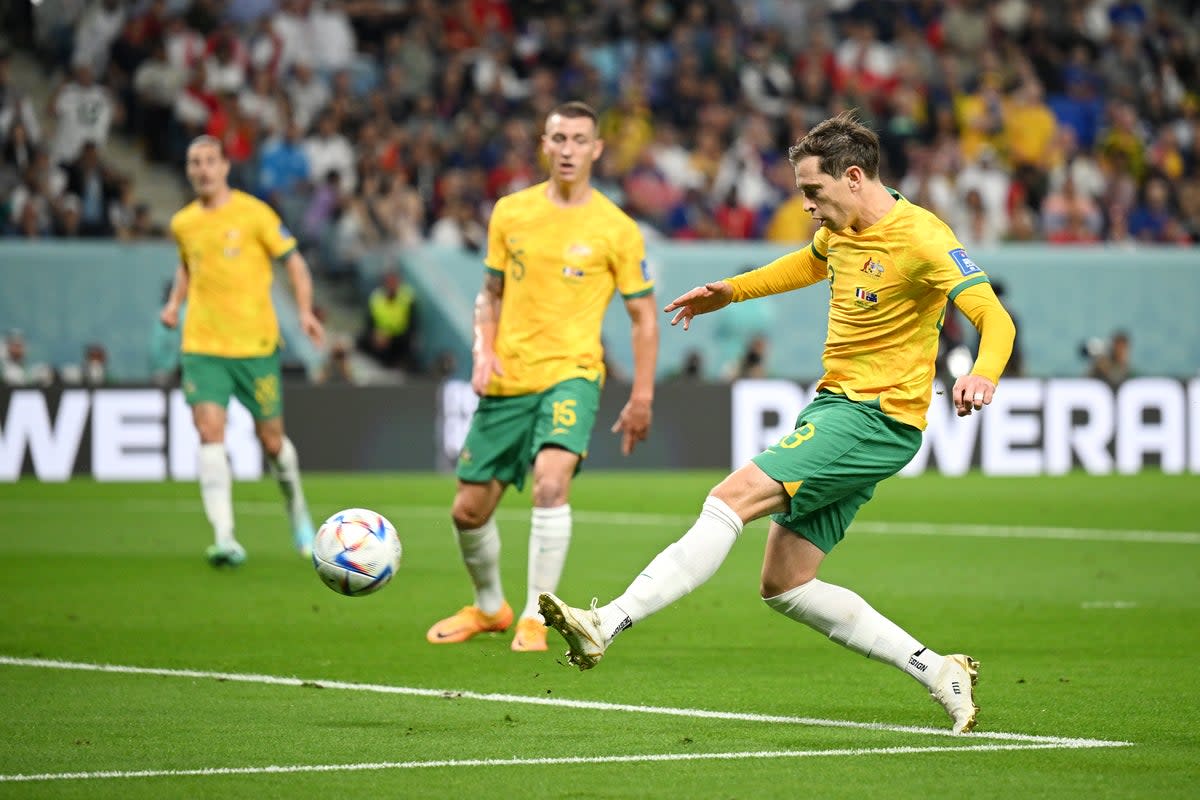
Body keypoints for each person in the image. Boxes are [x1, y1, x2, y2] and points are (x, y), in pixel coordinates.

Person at [539, 113, 1016, 734]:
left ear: (852, 177)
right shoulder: (843, 230)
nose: (807, 206)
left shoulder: (923, 238)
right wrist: (730, 291)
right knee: (785, 583)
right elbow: (807, 264)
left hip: (873, 415)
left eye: (813, 192)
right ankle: (938, 670)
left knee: (729, 499)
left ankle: (609, 622)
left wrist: (983, 373)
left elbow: (994, 317)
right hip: (841, 409)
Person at [427, 101, 659, 653]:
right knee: (467, 510)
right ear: (544, 144)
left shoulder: (616, 229)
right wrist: (482, 352)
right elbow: (490, 294)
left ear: (597, 149)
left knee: (551, 483)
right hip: (509, 379)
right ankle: (490, 608)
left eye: (580, 139)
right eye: (559, 139)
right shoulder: (510, 213)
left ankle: (536, 613)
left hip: (572, 374)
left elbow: (644, 316)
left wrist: (643, 396)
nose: (569, 150)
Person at [160, 135, 325, 567]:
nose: (201, 169)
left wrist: (305, 311)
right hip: (202, 346)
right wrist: (175, 304)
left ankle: (298, 513)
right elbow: (186, 265)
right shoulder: (184, 223)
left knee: (272, 442)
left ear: (225, 166)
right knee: (209, 431)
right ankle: (225, 537)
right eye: (194, 162)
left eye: (209, 161)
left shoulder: (255, 214)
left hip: (255, 347)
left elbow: (293, 260)